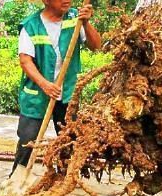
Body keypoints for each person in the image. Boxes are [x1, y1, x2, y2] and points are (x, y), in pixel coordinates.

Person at [10, 0, 101, 175]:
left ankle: (64, 178)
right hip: (37, 95)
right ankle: (17, 177)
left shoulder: (76, 18)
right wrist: (45, 85)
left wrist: (87, 23)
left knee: (68, 139)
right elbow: (25, 61)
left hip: (66, 92)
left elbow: (96, 46)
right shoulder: (31, 26)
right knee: (28, 139)